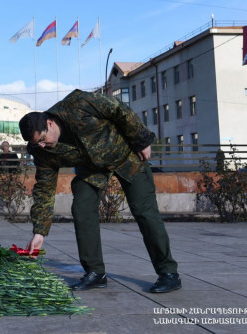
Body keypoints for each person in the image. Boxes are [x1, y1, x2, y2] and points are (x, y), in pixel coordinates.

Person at [18, 89, 181, 294]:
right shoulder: (42, 151)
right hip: (92, 171)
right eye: (36, 144)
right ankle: (95, 273)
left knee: (145, 213)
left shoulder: (78, 103)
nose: (42, 145)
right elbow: (44, 189)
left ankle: (168, 273)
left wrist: (142, 139)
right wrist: (39, 232)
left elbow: (118, 110)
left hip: (126, 157)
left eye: (43, 139)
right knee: (82, 210)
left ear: (49, 123)